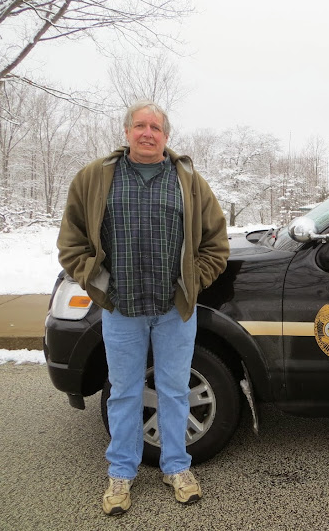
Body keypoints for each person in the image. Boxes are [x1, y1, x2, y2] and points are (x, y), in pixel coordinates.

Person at [57, 100, 229, 515]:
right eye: (139, 126)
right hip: (121, 311)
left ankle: (177, 467)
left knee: (173, 390)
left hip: (174, 311)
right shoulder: (95, 179)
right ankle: (121, 473)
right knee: (124, 393)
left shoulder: (188, 181)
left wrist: (191, 282)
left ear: (166, 136)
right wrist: (100, 284)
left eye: (155, 127)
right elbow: (71, 243)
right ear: (127, 132)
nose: (147, 132)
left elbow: (216, 245)